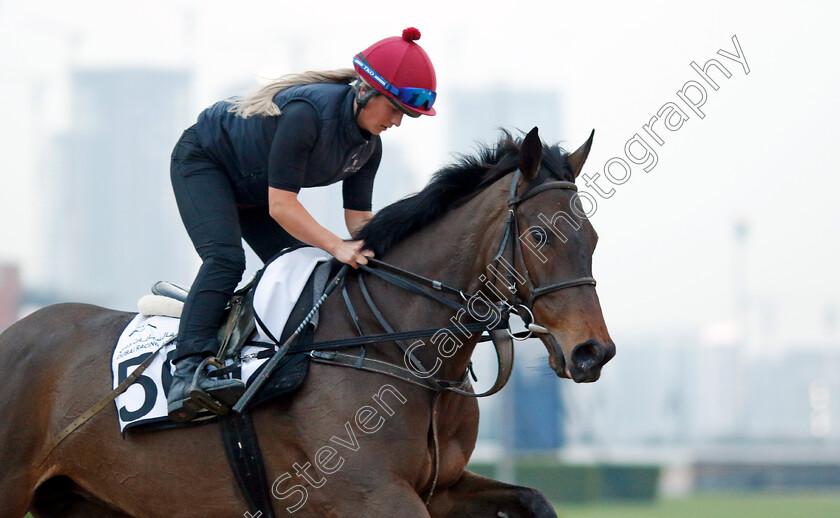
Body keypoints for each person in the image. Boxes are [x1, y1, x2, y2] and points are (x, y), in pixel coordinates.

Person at [166, 27, 438, 422]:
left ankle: (248, 349)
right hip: (206, 164)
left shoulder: (369, 148)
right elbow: (282, 206)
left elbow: (359, 219)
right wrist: (336, 246)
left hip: (254, 189)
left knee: (295, 267)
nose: (397, 122)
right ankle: (188, 371)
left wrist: (394, 255)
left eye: (405, 115)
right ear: (364, 91)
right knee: (225, 260)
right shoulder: (309, 114)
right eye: (395, 109)